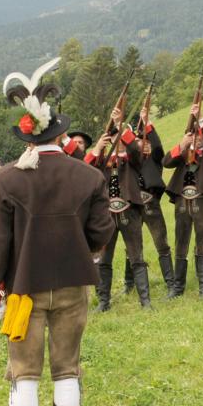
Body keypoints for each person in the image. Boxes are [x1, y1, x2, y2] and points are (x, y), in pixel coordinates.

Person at [0, 77, 112, 406]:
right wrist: (82, 250)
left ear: (29, 137)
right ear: (62, 134)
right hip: (73, 287)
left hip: (23, 290)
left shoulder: (6, 178)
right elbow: (102, 232)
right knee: (67, 371)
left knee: (24, 374)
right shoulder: (90, 176)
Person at [83, 107, 151, 311]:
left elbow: (135, 151)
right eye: (113, 136)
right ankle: (103, 302)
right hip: (105, 215)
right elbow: (85, 170)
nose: (116, 139)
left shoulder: (133, 158)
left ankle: (145, 302)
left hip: (129, 211)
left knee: (137, 258)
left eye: (119, 136)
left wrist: (120, 124)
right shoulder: (102, 160)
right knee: (104, 260)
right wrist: (97, 149)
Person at [162, 105, 203, 297]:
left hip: (200, 201)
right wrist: (181, 145)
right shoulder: (183, 153)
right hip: (182, 202)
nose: (198, 138)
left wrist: (201, 118)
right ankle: (178, 288)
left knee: (202, 243)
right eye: (195, 135)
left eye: (200, 135)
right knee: (181, 243)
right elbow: (166, 162)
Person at [122, 108, 174, 297]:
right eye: (139, 143)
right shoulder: (130, 161)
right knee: (131, 247)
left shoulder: (155, 158)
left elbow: (157, 145)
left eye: (146, 142)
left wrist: (147, 121)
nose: (144, 145)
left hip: (151, 203)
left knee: (161, 243)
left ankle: (171, 284)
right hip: (132, 206)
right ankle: (129, 284)